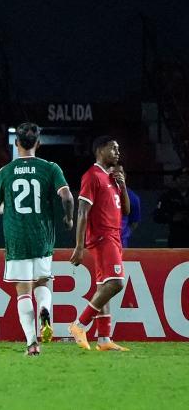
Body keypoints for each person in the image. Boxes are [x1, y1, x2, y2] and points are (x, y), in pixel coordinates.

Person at [0, 122, 74, 356]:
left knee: (23, 291)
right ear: (39, 143)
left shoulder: (5, 172)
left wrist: (12, 207)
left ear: (16, 144)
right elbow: (67, 197)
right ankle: (44, 308)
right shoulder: (50, 168)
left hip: (17, 237)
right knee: (42, 282)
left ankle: (32, 343)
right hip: (42, 236)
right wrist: (68, 219)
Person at [69, 136, 131, 352]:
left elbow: (126, 211)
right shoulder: (92, 176)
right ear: (100, 150)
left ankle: (104, 339)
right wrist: (79, 246)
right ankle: (80, 325)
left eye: (118, 148)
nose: (117, 152)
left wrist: (122, 186)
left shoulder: (113, 178)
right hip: (102, 237)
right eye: (113, 148)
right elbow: (82, 212)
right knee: (116, 283)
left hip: (115, 236)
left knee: (105, 286)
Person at [153, 168, 189, 247]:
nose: (185, 180)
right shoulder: (167, 196)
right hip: (176, 237)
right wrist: (172, 218)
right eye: (181, 178)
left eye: (187, 177)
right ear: (175, 180)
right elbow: (157, 216)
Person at [113, 165, 141, 247]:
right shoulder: (100, 194)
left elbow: (134, 222)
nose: (117, 175)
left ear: (124, 175)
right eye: (114, 173)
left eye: (120, 172)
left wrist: (124, 234)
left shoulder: (133, 198)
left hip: (121, 243)